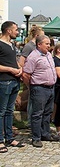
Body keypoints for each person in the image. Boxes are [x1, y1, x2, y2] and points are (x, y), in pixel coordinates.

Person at [22, 35, 59, 148]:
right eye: (46, 44)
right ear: (39, 44)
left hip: (50, 87)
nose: (49, 46)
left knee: (47, 113)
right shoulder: (33, 57)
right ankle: (36, 137)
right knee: (37, 114)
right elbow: (26, 74)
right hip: (39, 88)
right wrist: (31, 86)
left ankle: (45, 133)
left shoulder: (48, 55)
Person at [0, 21, 25, 152]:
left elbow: (13, 60)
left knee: (9, 111)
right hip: (4, 81)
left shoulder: (11, 44)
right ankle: (0, 140)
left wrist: (19, 67)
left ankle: (9, 137)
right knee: (1, 112)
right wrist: (10, 69)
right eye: (15, 29)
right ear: (8, 31)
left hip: (14, 81)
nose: (17, 32)